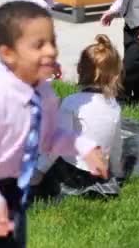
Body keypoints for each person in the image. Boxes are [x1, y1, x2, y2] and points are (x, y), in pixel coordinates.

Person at [0, 1, 109, 248]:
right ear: (8, 54)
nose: (51, 51)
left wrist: (83, 146)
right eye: (39, 45)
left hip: (10, 186)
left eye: (52, 41)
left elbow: (48, 137)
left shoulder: (45, 94)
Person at [30, 34, 125, 199]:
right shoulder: (114, 106)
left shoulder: (72, 102)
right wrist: (116, 172)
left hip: (72, 175)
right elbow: (116, 145)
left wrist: (39, 171)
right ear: (115, 76)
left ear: (80, 70)